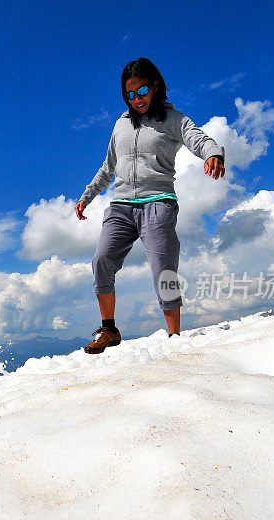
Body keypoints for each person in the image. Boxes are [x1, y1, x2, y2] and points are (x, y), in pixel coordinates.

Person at [75, 57, 225, 354]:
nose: (136, 99)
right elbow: (108, 166)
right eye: (129, 94)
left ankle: (174, 337)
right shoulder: (120, 125)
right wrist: (87, 195)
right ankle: (109, 329)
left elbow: (198, 138)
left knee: (164, 270)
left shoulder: (173, 120)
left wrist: (213, 153)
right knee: (101, 261)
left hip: (158, 203)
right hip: (120, 206)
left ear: (155, 86)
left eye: (141, 91)